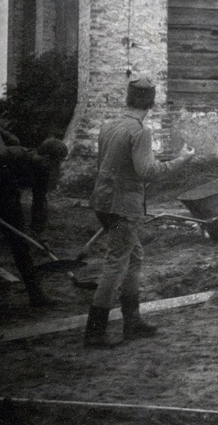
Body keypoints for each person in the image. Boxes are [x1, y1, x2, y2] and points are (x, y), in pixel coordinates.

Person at [84, 78, 196, 348]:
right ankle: (95, 332)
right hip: (123, 208)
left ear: (128, 98)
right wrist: (182, 159)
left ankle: (132, 322)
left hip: (103, 203)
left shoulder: (109, 126)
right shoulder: (139, 132)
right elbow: (147, 172)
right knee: (116, 264)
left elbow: (108, 165)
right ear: (151, 102)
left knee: (134, 258)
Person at [0, 125, 55, 322]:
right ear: (44, 156)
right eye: (53, 162)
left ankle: (36, 295)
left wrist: (40, 232)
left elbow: (39, 200)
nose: (54, 168)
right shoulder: (8, 155)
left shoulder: (43, 170)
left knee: (21, 246)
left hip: (9, 198)